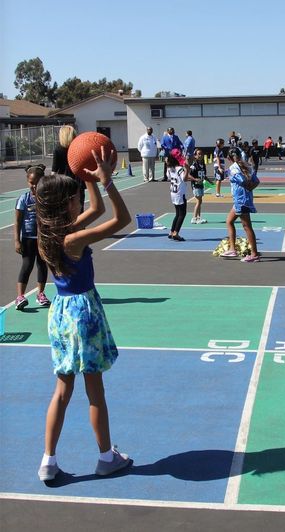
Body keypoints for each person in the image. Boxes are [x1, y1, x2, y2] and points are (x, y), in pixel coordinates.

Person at [35, 147, 132, 481]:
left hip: (61, 313)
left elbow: (97, 209)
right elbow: (120, 219)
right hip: (82, 313)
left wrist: (88, 179)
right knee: (95, 392)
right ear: (66, 206)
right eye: (76, 197)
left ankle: (48, 462)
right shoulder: (72, 239)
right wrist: (107, 182)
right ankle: (107, 457)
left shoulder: (49, 235)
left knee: (62, 391)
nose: (80, 201)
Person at [14, 164, 50, 310]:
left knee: (42, 265)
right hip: (28, 238)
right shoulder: (23, 199)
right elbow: (17, 221)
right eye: (31, 183)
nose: (34, 186)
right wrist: (17, 240)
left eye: (37, 183)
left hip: (44, 238)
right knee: (27, 265)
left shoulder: (47, 198)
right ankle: (20, 296)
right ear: (27, 181)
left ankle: (40, 294)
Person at [220, 148, 260, 263]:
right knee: (229, 221)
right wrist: (250, 188)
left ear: (229, 158)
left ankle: (254, 254)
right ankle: (232, 249)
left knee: (247, 226)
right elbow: (256, 181)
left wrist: (247, 187)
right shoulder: (247, 165)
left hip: (241, 200)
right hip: (242, 200)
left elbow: (242, 180)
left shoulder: (234, 168)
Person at [52, 125, 85, 209]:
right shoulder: (78, 148)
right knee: (79, 207)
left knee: (64, 209)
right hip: (78, 180)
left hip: (63, 181)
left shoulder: (58, 149)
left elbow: (54, 170)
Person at [167, 148, 191, 241]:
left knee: (177, 213)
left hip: (173, 192)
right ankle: (176, 233)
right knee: (182, 214)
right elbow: (184, 178)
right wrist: (187, 170)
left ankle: (171, 231)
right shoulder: (179, 168)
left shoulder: (170, 168)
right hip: (179, 193)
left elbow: (169, 178)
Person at [190, 148, 210, 224]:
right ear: (195, 155)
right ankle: (194, 218)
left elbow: (204, 175)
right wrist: (195, 179)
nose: (200, 155)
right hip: (195, 185)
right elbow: (189, 175)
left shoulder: (203, 164)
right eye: (198, 154)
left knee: (200, 201)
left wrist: (209, 181)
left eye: (201, 154)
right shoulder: (194, 165)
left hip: (201, 185)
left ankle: (198, 217)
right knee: (198, 201)